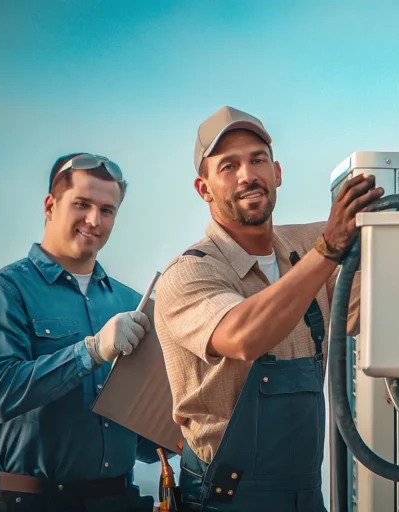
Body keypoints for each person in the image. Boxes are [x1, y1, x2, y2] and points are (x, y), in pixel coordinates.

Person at [153, 106, 381, 511]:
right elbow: (245, 337)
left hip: (305, 496)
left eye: (257, 160)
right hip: (226, 500)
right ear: (204, 189)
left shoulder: (306, 249)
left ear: (277, 173)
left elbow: (376, 307)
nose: (247, 175)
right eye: (228, 166)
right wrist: (329, 249)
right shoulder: (189, 273)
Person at [0, 153, 171, 512]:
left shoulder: (132, 303)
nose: (94, 220)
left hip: (123, 500)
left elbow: (146, 442)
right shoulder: (2, 294)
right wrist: (93, 350)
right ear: (50, 205)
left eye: (107, 210)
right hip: (37, 503)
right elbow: (0, 393)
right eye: (82, 204)